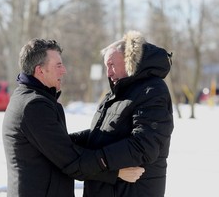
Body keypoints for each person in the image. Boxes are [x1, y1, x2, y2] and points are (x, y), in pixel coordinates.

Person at [2, 38, 145, 197]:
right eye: (58, 65)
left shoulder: (28, 98)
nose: (63, 70)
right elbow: (71, 160)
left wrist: (100, 135)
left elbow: (59, 146)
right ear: (40, 70)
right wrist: (116, 172)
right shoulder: (34, 106)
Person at [69, 30, 174, 197]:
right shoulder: (116, 94)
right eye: (106, 67)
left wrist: (95, 161)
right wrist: (67, 141)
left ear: (129, 61)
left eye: (111, 64)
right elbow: (102, 135)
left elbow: (143, 145)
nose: (108, 73)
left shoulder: (153, 90)